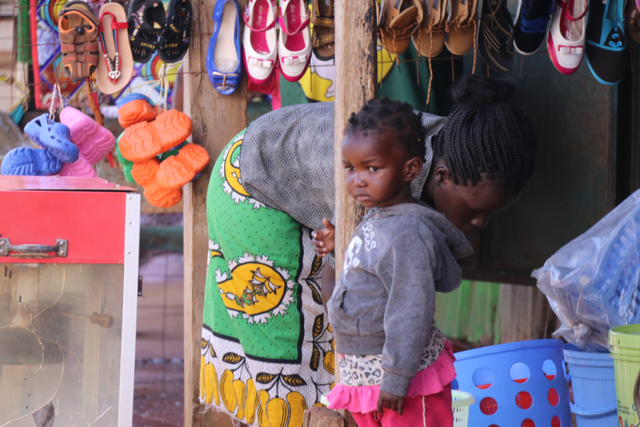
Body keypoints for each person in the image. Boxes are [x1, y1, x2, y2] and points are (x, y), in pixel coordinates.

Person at [198, 76, 536, 427]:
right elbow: (363, 297)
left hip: (313, 197)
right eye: (475, 210)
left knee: (338, 357)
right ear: (442, 175)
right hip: (252, 180)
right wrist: (394, 373)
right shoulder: (376, 181)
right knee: (291, 357)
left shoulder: (456, 152)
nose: (481, 223)